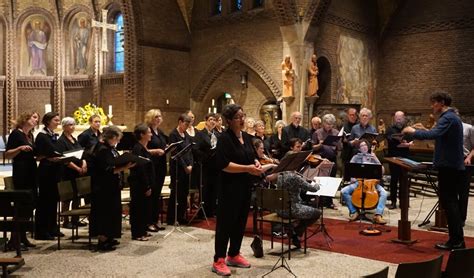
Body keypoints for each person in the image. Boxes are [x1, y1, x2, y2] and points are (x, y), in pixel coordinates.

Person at [403, 91, 465, 250]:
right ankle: (455, 239)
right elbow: (439, 136)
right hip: (449, 165)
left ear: (442, 102)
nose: (432, 106)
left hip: (449, 167)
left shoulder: (449, 118)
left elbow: (434, 134)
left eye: (434, 103)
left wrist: (413, 132)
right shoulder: (449, 118)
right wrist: (422, 130)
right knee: (449, 203)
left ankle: (456, 241)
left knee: (450, 204)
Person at [212, 104, 264, 276]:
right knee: (225, 224)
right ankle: (218, 259)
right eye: (237, 117)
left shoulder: (247, 138)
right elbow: (224, 165)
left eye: (243, 116)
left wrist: (256, 163)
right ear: (228, 121)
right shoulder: (224, 139)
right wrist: (247, 168)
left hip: (245, 186)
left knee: (240, 222)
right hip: (229, 188)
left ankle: (233, 254)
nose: (242, 119)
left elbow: (253, 157)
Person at [90, 126, 135, 251]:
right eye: (117, 139)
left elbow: (113, 162)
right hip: (103, 188)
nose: (118, 142)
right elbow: (107, 170)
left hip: (111, 187)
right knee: (105, 213)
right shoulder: (102, 149)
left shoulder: (109, 148)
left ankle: (109, 236)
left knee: (112, 212)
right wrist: (125, 166)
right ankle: (103, 240)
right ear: (113, 137)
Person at [5, 112, 40, 250]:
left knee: (30, 206)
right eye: (34, 117)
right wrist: (19, 148)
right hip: (21, 173)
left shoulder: (30, 136)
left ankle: (22, 237)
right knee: (22, 205)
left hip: (31, 172)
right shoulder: (16, 134)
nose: (36, 120)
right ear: (25, 119)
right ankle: (14, 240)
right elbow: (7, 154)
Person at [341, 140, 388, 224]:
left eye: (365, 145)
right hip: (358, 182)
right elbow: (350, 169)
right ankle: (354, 211)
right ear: (359, 149)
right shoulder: (355, 157)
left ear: (368, 146)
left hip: (372, 183)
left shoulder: (373, 156)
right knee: (344, 191)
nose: (364, 147)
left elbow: (382, 171)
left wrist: (376, 159)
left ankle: (378, 215)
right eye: (362, 146)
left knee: (384, 193)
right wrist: (352, 178)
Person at [34, 112, 63, 240]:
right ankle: (42, 230)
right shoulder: (42, 136)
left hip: (54, 170)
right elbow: (47, 152)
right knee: (45, 201)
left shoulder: (53, 135)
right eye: (56, 120)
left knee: (53, 200)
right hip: (46, 171)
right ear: (48, 121)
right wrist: (52, 156)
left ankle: (52, 227)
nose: (58, 122)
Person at [274, 172, 321, 248]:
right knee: (317, 213)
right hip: (292, 209)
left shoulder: (280, 176)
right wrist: (317, 183)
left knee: (305, 208)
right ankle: (297, 232)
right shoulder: (295, 177)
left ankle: (293, 231)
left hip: (280, 209)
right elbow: (314, 189)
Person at [56, 117, 87, 229]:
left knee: (77, 196)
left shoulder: (74, 139)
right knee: (67, 197)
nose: (72, 127)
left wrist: (83, 163)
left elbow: (81, 153)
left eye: (73, 124)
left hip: (78, 171)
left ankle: (75, 219)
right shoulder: (61, 141)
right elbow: (65, 159)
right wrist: (77, 168)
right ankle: (66, 220)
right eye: (70, 125)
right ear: (64, 127)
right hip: (67, 172)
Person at [129, 124, 154, 241]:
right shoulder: (137, 148)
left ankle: (143, 230)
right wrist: (147, 186)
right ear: (142, 135)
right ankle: (137, 233)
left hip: (144, 182)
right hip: (139, 184)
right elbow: (141, 169)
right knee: (138, 209)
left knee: (144, 208)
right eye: (149, 132)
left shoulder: (143, 147)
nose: (151, 134)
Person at [167, 114, 194, 225]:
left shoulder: (186, 134)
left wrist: (191, 165)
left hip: (187, 168)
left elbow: (190, 151)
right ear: (180, 122)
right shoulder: (173, 135)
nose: (187, 127)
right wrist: (185, 166)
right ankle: (173, 218)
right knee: (176, 193)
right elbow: (176, 153)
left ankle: (181, 216)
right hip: (177, 168)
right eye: (186, 124)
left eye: (189, 125)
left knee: (184, 193)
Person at [145, 109, 168, 231]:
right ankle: (149, 222)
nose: (159, 118)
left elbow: (163, 145)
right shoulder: (147, 131)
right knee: (151, 194)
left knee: (157, 194)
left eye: (160, 116)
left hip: (161, 166)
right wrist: (155, 151)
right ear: (150, 118)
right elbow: (141, 149)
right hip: (151, 165)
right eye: (156, 117)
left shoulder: (160, 132)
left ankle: (155, 219)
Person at [312, 114, 341, 209]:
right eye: (327, 123)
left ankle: (329, 201)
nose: (329, 126)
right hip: (321, 159)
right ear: (323, 123)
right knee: (321, 181)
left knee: (331, 181)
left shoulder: (336, 132)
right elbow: (312, 148)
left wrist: (338, 144)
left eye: (331, 124)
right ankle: (319, 201)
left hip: (332, 159)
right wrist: (320, 145)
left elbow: (340, 148)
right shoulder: (317, 133)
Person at [385, 111, 412, 209]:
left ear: (404, 118)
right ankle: (393, 201)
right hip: (394, 157)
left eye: (400, 118)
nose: (399, 120)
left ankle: (403, 201)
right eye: (397, 118)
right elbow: (390, 140)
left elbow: (411, 138)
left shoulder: (407, 129)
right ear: (394, 118)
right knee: (394, 180)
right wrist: (400, 142)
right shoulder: (390, 129)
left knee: (404, 180)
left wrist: (407, 143)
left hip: (405, 157)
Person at [194, 113, 218, 217]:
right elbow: (196, 149)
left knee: (213, 188)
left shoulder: (216, 134)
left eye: (215, 120)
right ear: (206, 121)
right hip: (204, 165)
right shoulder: (200, 134)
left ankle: (212, 210)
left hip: (214, 166)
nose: (213, 122)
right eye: (211, 119)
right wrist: (206, 155)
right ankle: (203, 211)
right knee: (205, 188)